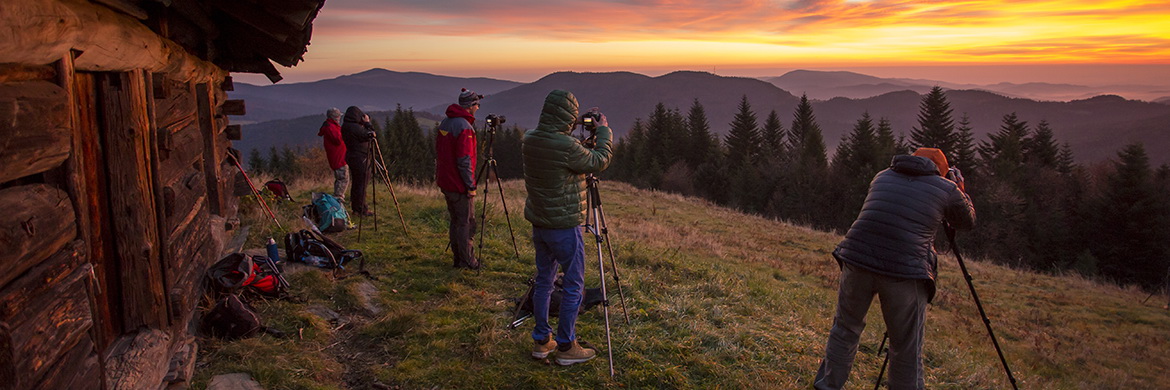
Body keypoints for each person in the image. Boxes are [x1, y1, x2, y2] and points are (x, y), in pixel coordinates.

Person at [813, 147, 976, 390]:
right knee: (905, 347)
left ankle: (827, 386)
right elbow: (966, 221)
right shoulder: (947, 188)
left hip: (857, 258)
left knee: (845, 328)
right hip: (904, 270)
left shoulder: (881, 176)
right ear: (942, 172)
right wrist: (960, 188)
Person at [522, 90, 613, 366]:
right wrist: (604, 132)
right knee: (574, 283)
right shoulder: (565, 147)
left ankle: (541, 341)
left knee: (544, 281)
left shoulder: (530, 139)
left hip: (540, 222)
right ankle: (566, 346)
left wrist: (578, 141)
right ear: (569, 116)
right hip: (564, 226)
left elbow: (566, 157)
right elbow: (599, 161)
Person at [435, 89, 483, 270]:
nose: (478, 108)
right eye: (477, 105)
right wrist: (470, 185)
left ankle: (458, 259)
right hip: (458, 184)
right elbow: (464, 159)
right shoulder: (464, 127)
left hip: (446, 180)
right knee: (466, 223)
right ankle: (468, 261)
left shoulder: (446, 122)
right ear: (470, 106)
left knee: (456, 221)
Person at [341, 106, 375, 217]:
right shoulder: (355, 128)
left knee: (356, 183)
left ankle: (356, 208)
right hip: (360, 158)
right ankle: (361, 209)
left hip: (352, 157)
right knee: (361, 184)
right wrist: (367, 123)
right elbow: (372, 134)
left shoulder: (346, 126)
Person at [318, 108, 349, 203]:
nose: (340, 118)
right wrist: (345, 132)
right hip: (338, 158)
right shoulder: (331, 127)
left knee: (341, 178)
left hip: (338, 157)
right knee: (343, 178)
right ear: (335, 117)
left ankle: (338, 196)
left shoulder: (330, 126)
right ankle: (338, 198)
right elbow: (338, 140)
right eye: (339, 116)